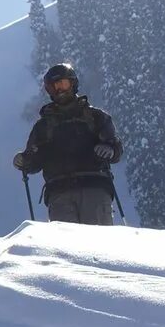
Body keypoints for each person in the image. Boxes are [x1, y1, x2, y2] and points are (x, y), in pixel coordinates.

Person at [13, 63, 122, 224]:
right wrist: (24, 161)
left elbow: (116, 147)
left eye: (63, 84)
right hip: (61, 192)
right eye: (53, 87)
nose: (59, 90)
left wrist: (110, 149)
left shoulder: (96, 117)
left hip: (93, 187)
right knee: (70, 247)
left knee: (97, 245)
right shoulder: (43, 126)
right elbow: (34, 158)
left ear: (73, 84)